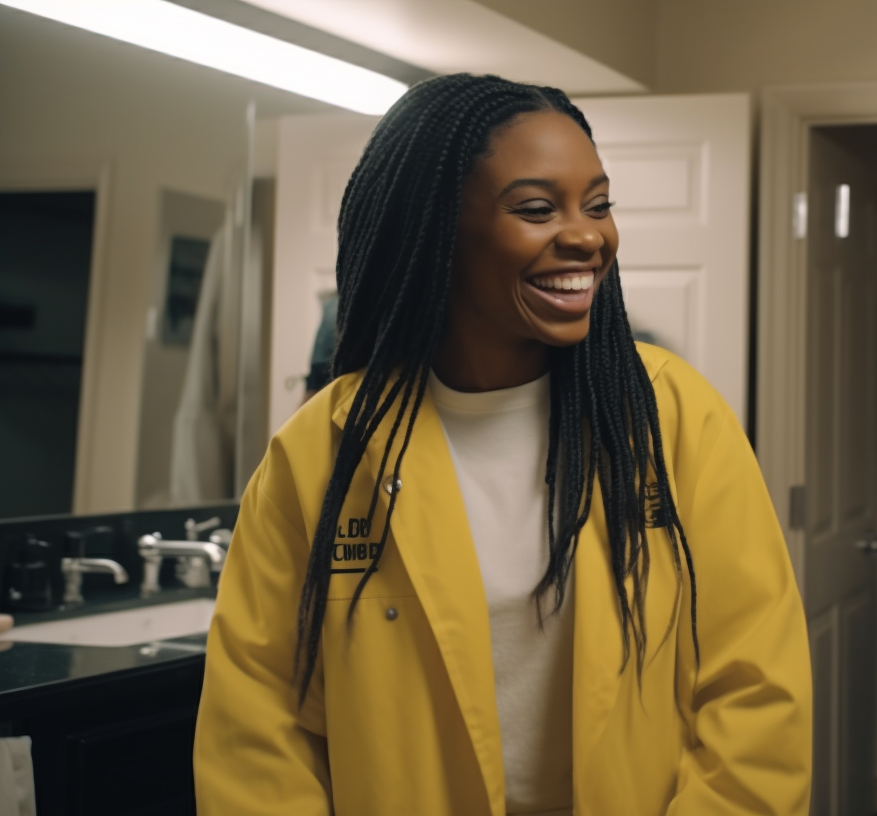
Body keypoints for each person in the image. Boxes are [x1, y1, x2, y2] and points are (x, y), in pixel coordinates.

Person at [194, 74, 812, 815]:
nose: (588, 235)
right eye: (536, 208)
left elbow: (757, 697)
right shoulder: (321, 457)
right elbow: (259, 731)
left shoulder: (671, 419)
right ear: (435, 229)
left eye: (599, 204)